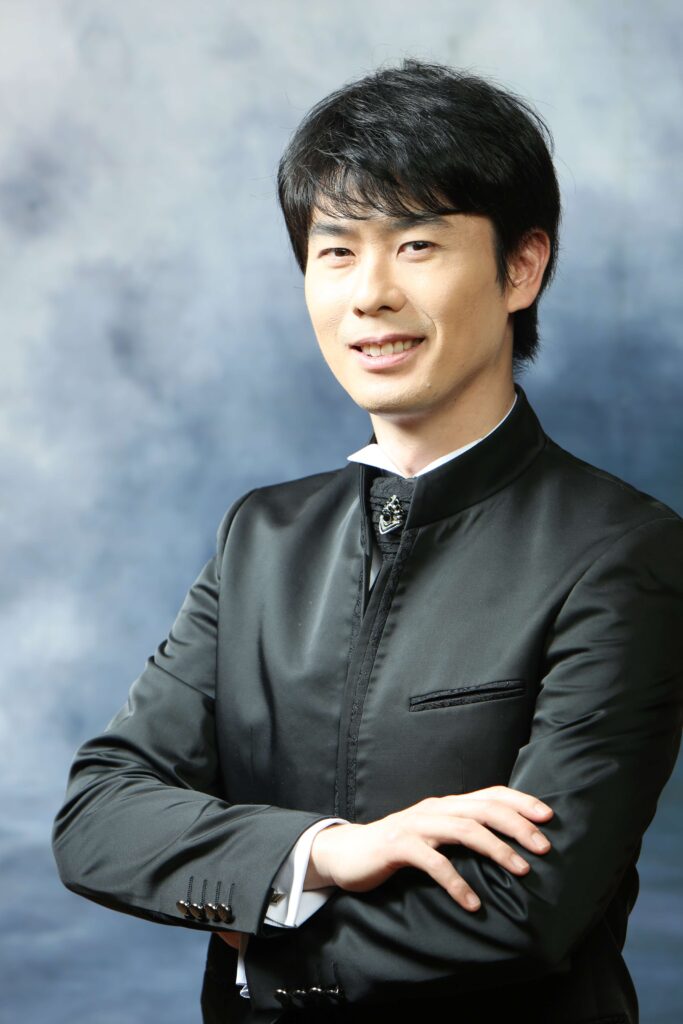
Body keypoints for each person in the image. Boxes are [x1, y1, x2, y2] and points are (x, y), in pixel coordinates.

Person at [51, 59, 683, 1024]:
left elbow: (526, 910)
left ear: (521, 268)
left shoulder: (624, 551)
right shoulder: (262, 537)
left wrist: (259, 934)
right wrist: (323, 854)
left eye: (417, 245)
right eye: (336, 251)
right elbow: (97, 815)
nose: (369, 294)